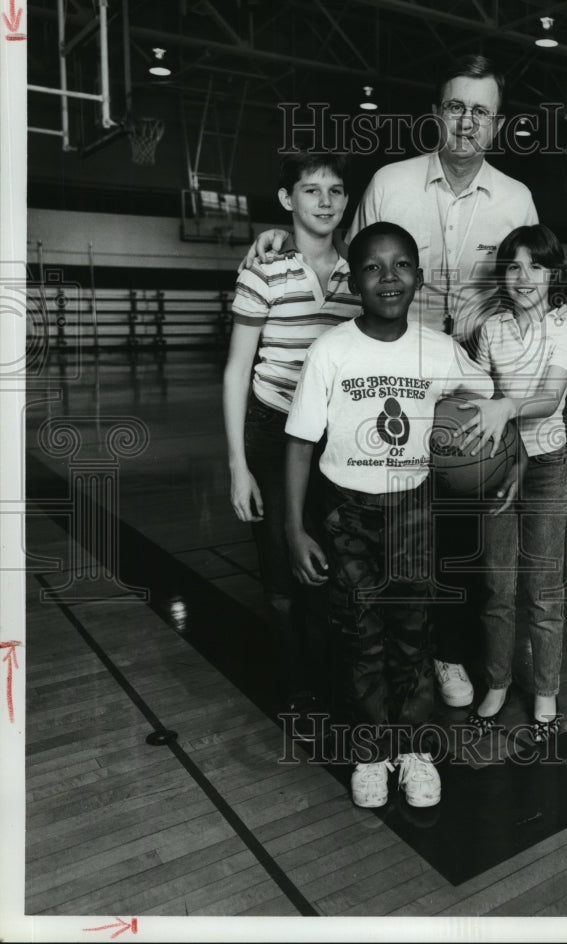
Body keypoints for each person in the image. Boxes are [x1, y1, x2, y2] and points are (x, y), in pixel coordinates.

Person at [242, 54, 543, 712]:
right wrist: (280, 238)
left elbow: (528, 301)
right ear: (439, 113)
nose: (467, 122)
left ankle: (446, 653)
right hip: (388, 370)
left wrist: (512, 419)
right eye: (457, 107)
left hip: (465, 382)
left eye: (482, 112)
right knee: (386, 528)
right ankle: (371, 655)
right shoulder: (389, 182)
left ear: (496, 125)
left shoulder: (517, 200)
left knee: (459, 533)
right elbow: (343, 257)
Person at [283, 221, 498, 808]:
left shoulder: (439, 347)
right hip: (344, 511)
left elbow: (490, 404)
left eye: (401, 265)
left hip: (413, 510)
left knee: (412, 633)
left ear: (419, 278)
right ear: (354, 281)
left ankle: (414, 749)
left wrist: (510, 460)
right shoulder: (330, 350)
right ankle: (373, 751)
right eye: (373, 268)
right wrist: (294, 528)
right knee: (360, 637)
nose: (388, 277)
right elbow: (301, 442)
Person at [222, 151, 360, 726]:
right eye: (310, 190)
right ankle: (297, 684)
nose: (324, 201)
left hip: (331, 440)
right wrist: (237, 466)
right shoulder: (264, 270)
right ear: (287, 200)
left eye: (334, 191)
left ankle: (331, 676)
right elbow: (237, 369)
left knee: (327, 563)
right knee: (281, 567)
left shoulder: (360, 276)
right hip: (272, 429)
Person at [458, 225, 567, 742]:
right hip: (499, 469)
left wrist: (507, 406)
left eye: (536, 265)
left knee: (544, 589)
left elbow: (549, 399)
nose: (524, 276)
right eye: (514, 265)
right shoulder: (491, 330)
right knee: (497, 588)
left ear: (554, 274)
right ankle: (496, 683)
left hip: (546, 466)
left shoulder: (566, 327)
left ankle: (546, 688)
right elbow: (476, 394)